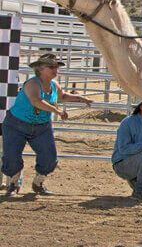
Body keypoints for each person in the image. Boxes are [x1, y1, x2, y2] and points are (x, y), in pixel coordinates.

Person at [2, 53, 91, 196]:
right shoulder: (32, 83)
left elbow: (62, 96)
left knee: (49, 158)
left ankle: (38, 182)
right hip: (16, 124)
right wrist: (57, 111)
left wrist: (79, 98)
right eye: (51, 67)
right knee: (11, 158)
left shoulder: (54, 85)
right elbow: (36, 101)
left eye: (56, 67)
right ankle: (13, 182)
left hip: (41, 126)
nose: (55, 70)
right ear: (40, 69)